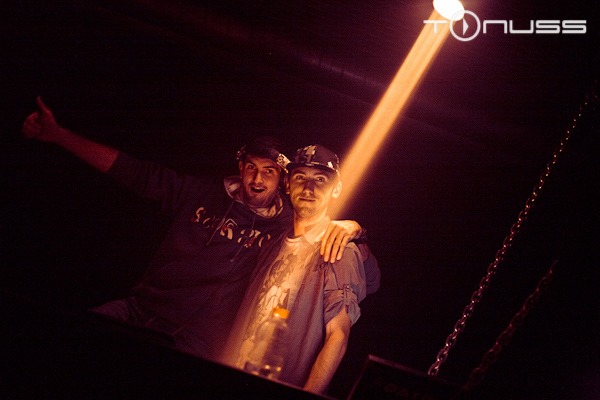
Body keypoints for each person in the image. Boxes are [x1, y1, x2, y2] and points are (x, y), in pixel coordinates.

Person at [21, 96, 378, 360]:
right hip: (140, 311)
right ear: (240, 167)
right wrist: (59, 135)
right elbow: (135, 172)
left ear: (282, 179)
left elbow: (369, 280)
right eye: (251, 168)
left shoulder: (285, 229)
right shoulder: (201, 194)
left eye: (269, 171)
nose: (257, 180)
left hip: (196, 343)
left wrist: (356, 233)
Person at [221, 144, 379, 394]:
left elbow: (338, 336)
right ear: (287, 184)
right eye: (300, 177)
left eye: (320, 180)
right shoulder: (272, 245)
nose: (308, 188)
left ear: (336, 189)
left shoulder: (338, 249)